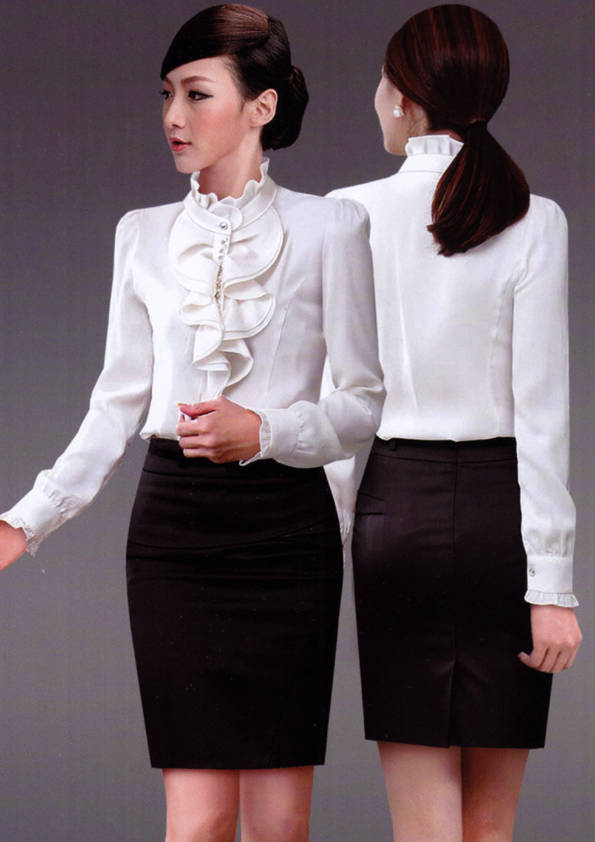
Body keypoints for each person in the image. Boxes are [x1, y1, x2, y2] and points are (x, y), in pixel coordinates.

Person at [0, 5, 384, 841]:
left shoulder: (333, 226)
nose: (173, 115)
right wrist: (23, 521)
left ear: (261, 107)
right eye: (166, 94)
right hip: (175, 532)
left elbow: (361, 405)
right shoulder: (140, 234)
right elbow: (116, 404)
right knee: (199, 820)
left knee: (279, 823)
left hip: (287, 532)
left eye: (197, 93)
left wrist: (266, 432)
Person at [327, 5, 582, 841]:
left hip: (391, 514)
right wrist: (551, 588)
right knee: (490, 828)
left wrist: (330, 537)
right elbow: (541, 413)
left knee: (423, 826)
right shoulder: (534, 216)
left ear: (403, 96)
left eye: (380, 81)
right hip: (501, 521)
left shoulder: (345, 212)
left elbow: (338, 406)